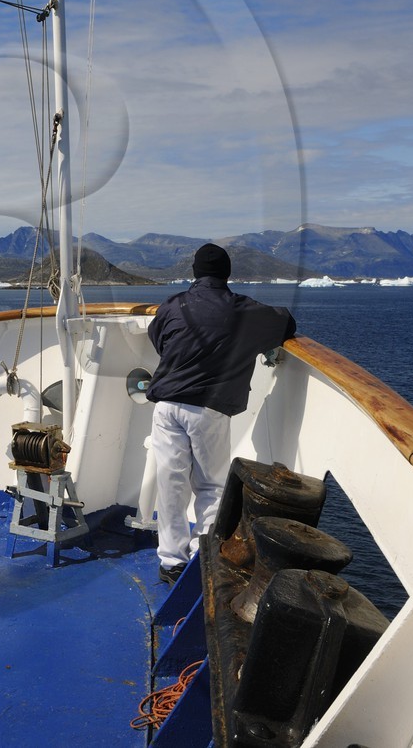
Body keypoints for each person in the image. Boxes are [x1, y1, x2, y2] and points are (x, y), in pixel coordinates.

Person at [145, 243, 295, 583]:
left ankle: (171, 561)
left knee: (170, 483)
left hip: (166, 406)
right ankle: (207, 560)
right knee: (211, 486)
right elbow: (285, 322)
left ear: (195, 273)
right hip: (207, 410)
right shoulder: (242, 310)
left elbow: (159, 339)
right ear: (227, 274)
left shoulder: (174, 305)